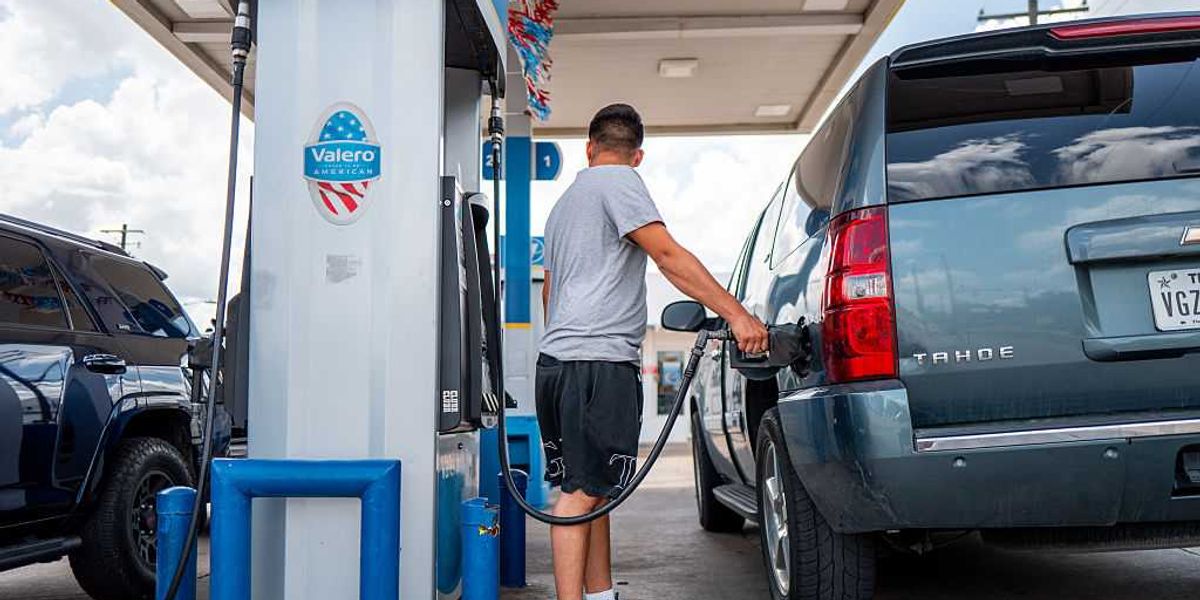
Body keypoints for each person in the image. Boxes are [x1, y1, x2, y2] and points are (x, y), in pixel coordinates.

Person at [537, 103, 769, 600]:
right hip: (597, 363)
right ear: (637, 155)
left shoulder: (565, 204)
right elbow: (666, 255)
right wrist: (737, 314)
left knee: (589, 487)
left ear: (588, 147)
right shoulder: (620, 184)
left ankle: (600, 594)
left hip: (556, 363)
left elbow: (548, 293)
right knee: (580, 495)